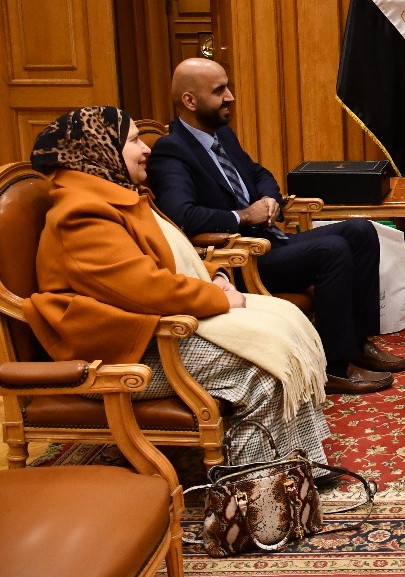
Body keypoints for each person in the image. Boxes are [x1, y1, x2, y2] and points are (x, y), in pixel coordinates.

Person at [27, 107, 332, 467]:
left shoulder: (118, 194)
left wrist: (215, 276)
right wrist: (218, 298)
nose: (147, 149)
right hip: (119, 351)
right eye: (134, 141)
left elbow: (170, 256)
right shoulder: (81, 214)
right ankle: (255, 483)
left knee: (284, 330)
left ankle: (299, 466)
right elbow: (144, 288)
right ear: (100, 149)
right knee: (259, 366)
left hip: (149, 331)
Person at [147, 58, 402, 395]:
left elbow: (259, 173)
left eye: (228, 87)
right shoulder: (171, 151)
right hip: (240, 258)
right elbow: (182, 214)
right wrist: (244, 216)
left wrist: (269, 199)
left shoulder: (222, 135)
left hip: (271, 241)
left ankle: (356, 343)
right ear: (190, 101)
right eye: (219, 91)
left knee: (362, 231)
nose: (230, 97)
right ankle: (335, 366)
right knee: (333, 249)